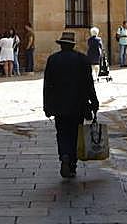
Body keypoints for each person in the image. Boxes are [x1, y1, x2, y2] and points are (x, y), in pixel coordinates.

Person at [42, 31, 99, 179]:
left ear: (61, 45)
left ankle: (64, 156)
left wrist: (47, 106)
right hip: (78, 105)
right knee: (74, 134)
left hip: (58, 105)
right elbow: (89, 84)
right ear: (72, 45)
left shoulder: (53, 60)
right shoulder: (82, 60)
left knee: (61, 133)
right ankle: (72, 164)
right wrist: (94, 102)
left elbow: (47, 85)